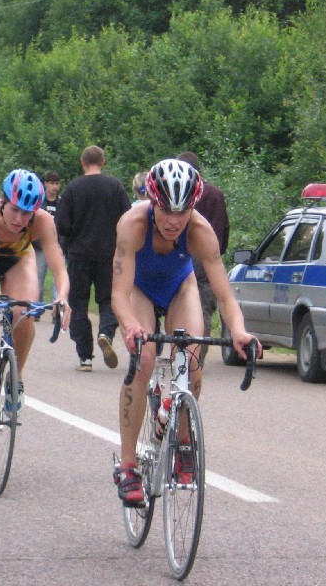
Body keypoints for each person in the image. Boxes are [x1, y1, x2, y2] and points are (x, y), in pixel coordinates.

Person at [110, 158, 261, 506]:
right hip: (139, 289)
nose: (173, 221)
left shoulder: (201, 231)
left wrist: (239, 330)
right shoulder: (132, 224)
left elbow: (225, 296)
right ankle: (128, 465)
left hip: (180, 287)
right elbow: (118, 294)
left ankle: (183, 444)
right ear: (152, 201)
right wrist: (131, 326)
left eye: (182, 212)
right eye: (165, 210)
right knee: (144, 358)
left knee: (190, 357)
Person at [0, 168, 72, 446]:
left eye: (27, 213)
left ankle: (14, 380)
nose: (20, 219)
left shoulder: (42, 221)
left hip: (18, 261)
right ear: (3, 202)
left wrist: (63, 296)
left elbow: (58, 266)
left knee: (24, 314)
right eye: (15, 210)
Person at [55, 145, 131, 372]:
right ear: (103, 162)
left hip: (79, 255)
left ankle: (85, 357)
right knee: (109, 299)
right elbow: (128, 218)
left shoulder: (72, 188)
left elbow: (62, 225)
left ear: (82, 162)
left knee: (78, 303)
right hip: (109, 254)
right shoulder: (115, 186)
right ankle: (105, 332)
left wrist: (72, 237)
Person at [176, 151, 230, 366]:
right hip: (209, 257)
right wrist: (218, 253)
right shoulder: (216, 194)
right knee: (204, 307)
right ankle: (198, 357)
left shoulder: (182, 191)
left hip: (183, 254)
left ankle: (180, 353)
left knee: (179, 303)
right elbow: (224, 227)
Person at [34, 170, 63, 315]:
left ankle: (57, 311)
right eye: (52, 183)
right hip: (39, 247)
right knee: (37, 279)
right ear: (45, 184)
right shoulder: (38, 201)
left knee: (59, 280)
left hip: (57, 246)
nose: (54, 186)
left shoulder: (62, 202)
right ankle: (36, 308)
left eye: (57, 183)